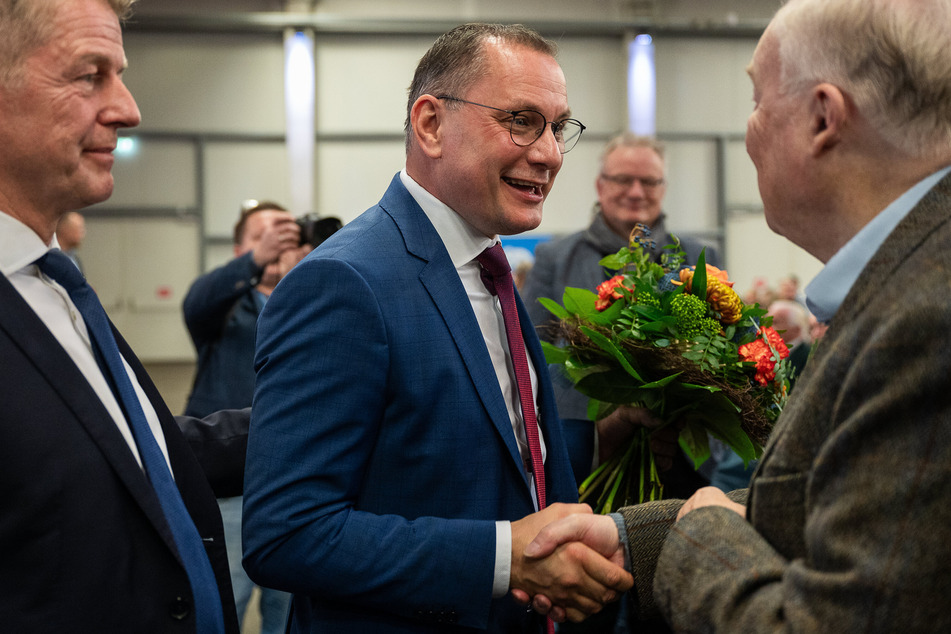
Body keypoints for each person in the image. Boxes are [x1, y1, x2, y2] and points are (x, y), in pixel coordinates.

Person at [518, 0, 951, 630]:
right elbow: (822, 506)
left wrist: (702, 532)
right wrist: (630, 531)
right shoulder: (907, 283)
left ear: (823, 118)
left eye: (756, 101)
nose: (748, 131)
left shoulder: (924, 321)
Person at [242, 22, 633, 633]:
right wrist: (507, 560)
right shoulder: (346, 284)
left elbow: (500, 456)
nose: (551, 153)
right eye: (522, 120)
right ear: (430, 125)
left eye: (558, 128)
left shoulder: (491, 270)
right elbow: (289, 532)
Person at [0, 0, 248, 631]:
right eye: (89, 75)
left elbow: (127, 453)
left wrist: (313, 416)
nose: (129, 109)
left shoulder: (52, 286)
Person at [522, 133, 721, 493]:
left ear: (663, 187)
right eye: (622, 179)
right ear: (600, 186)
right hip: (584, 458)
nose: (635, 191)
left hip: (680, 460)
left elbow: (718, 353)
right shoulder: (556, 258)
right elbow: (530, 357)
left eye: (648, 181)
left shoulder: (699, 258)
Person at [183, 200, 307, 633]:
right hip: (228, 487)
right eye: (264, 236)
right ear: (240, 249)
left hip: (296, 482)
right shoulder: (226, 307)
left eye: (286, 235)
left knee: (289, 608)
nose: (277, 244)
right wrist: (257, 262)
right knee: (225, 597)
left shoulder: (308, 300)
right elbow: (197, 300)